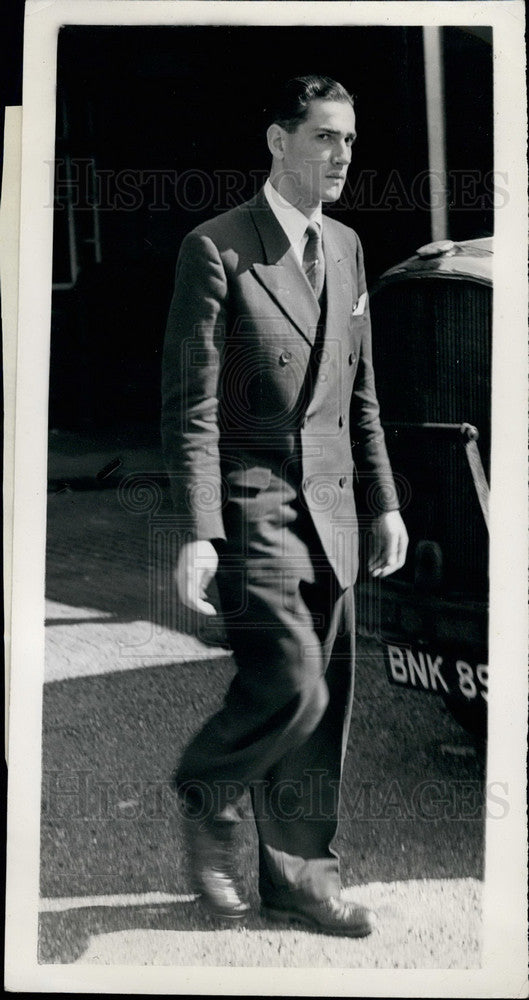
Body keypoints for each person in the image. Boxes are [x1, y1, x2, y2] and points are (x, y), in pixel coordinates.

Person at [161, 74, 408, 937]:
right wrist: (199, 531)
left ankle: (301, 882)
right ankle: (207, 784)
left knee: (326, 706)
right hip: (254, 509)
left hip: (336, 512)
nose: (341, 154)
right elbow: (190, 406)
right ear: (277, 141)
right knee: (293, 683)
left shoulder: (344, 247)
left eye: (349, 139)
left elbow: (361, 392)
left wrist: (385, 502)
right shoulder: (217, 248)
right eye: (324, 137)